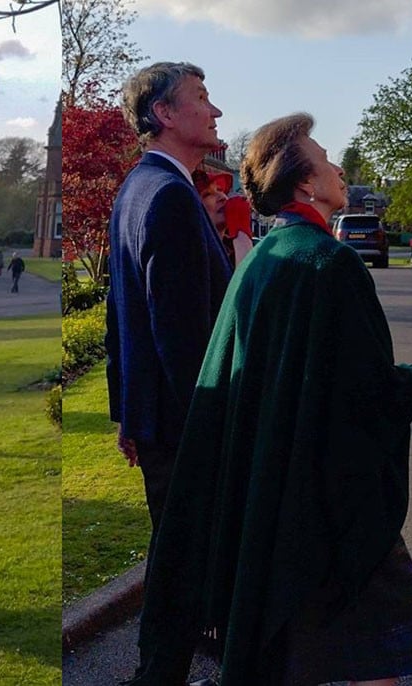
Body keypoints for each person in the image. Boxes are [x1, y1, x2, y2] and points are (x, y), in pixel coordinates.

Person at [130, 113, 412, 685]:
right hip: (327, 499)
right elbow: (359, 396)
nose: (339, 166)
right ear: (304, 183)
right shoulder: (330, 263)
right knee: (376, 644)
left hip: (275, 491)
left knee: (299, 646)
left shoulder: (265, 261)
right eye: (325, 157)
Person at [105, 61, 232, 565]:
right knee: (189, 571)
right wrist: (213, 429)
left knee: (177, 562)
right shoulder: (172, 197)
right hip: (185, 430)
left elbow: (122, 315)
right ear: (163, 112)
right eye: (200, 97)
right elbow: (183, 339)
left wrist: (128, 414)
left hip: (157, 421)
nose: (214, 109)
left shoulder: (135, 189)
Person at [193, 168, 253, 267]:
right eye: (207, 194)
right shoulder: (195, 255)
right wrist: (241, 235)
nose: (222, 197)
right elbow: (247, 280)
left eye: (220, 190)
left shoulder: (231, 250)